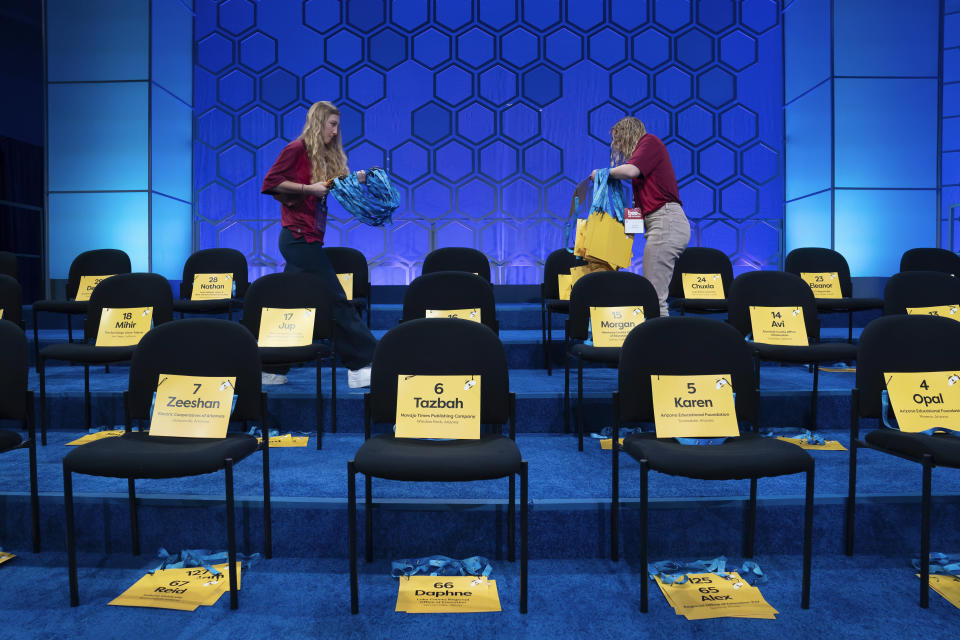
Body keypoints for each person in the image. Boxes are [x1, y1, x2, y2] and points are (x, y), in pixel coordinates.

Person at [261, 101, 376, 388]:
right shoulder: (296, 149)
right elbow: (271, 182)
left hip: (308, 237)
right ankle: (361, 364)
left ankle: (270, 367)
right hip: (297, 238)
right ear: (318, 123)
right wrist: (307, 189)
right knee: (335, 298)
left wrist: (356, 179)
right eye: (332, 125)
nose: (336, 132)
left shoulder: (321, 155)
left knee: (291, 303)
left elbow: (329, 185)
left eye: (338, 126)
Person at [594, 117, 690, 317]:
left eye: (618, 140)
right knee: (653, 296)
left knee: (654, 298)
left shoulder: (650, 142)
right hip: (660, 224)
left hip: (666, 223)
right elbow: (637, 214)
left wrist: (603, 174)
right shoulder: (645, 170)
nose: (617, 147)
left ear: (628, 134)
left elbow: (630, 170)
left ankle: (660, 346)